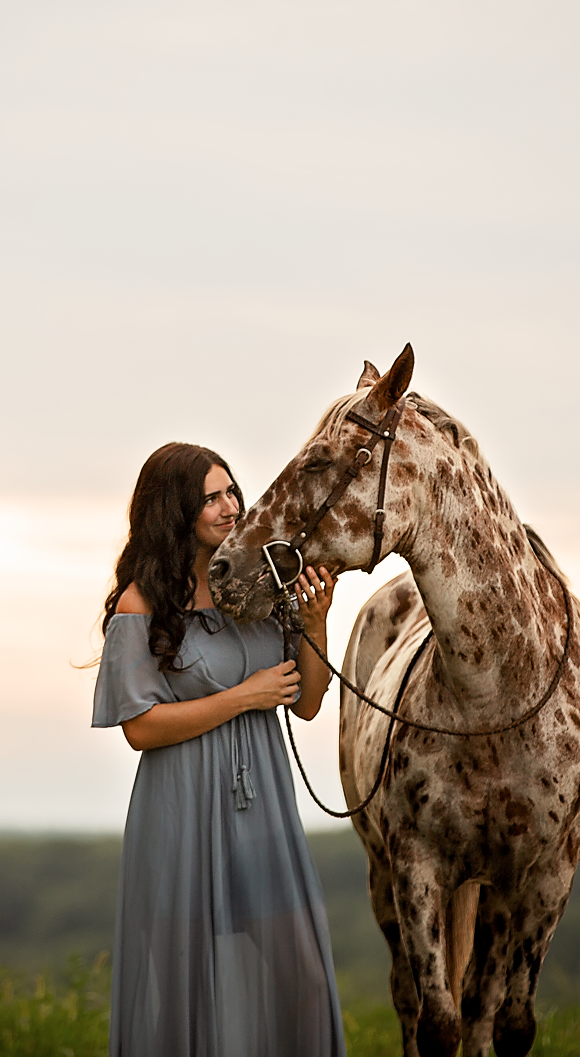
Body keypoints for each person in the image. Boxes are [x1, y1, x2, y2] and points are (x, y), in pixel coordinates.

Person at [92, 441, 346, 1057]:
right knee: (185, 996)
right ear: (175, 510)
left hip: (261, 816)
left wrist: (314, 625)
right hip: (179, 814)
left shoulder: (259, 594)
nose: (231, 507)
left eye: (233, 491)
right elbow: (141, 728)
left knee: (305, 983)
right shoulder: (141, 605)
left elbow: (307, 701)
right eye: (211, 498)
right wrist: (243, 695)